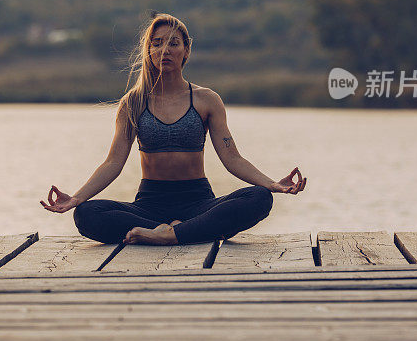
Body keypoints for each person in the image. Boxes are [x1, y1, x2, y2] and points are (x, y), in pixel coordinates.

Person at [40, 13, 306, 245]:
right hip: (149, 205)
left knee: (259, 198)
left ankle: (169, 235)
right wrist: (75, 198)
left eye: (173, 43)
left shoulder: (206, 100)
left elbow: (232, 157)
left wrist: (271, 184)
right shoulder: (133, 102)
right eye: (157, 44)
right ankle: (171, 232)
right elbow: (113, 162)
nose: (164, 50)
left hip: (199, 202)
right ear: (149, 52)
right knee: (86, 215)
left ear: (187, 50)